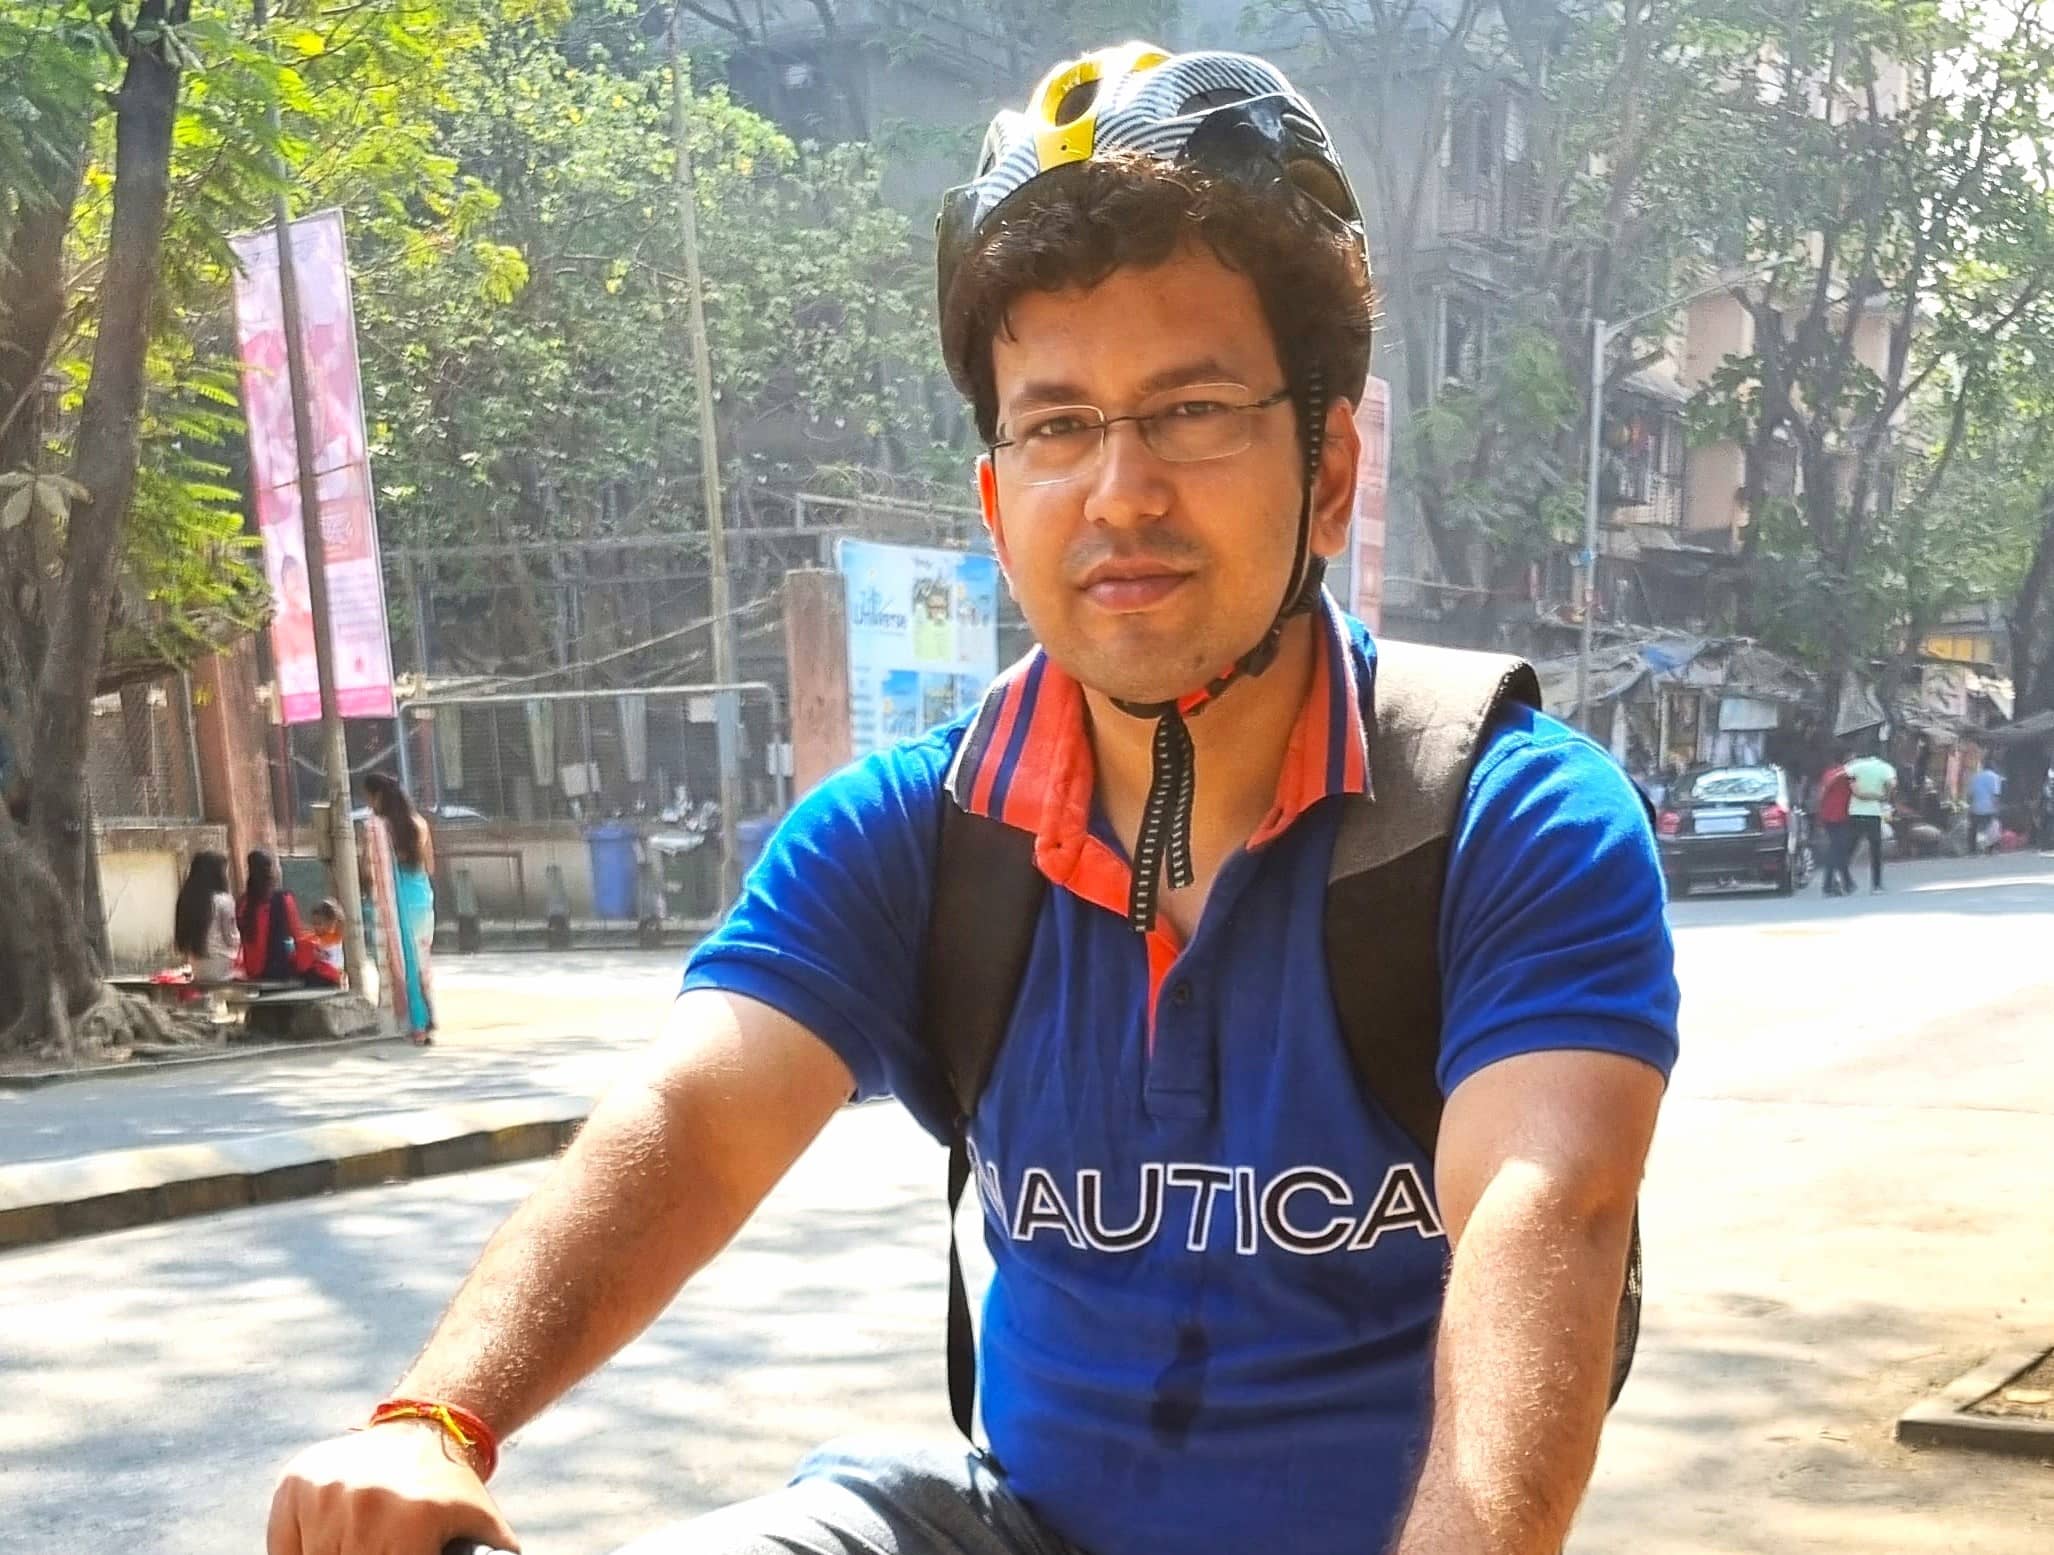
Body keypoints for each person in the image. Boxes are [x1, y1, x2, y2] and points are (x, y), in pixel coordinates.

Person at [268, 44, 1678, 1555]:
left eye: (1192, 409)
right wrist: (437, 1418)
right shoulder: (912, 834)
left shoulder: (1509, 822)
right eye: (1056, 424)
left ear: (1328, 468)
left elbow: (1552, 1211)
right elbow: (691, 1119)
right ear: (999, 501)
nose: (1119, 489)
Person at [363, 770, 437, 1043]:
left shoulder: (379, 829)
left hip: (398, 900)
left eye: (369, 798)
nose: (369, 804)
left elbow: (369, 871)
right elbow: (430, 866)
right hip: (423, 897)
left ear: (379, 796)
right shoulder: (420, 824)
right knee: (422, 963)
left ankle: (417, 1026)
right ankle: (427, 1017)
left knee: (405, 963)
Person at [237, 848, 320, 984]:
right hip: (277, 971)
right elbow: (298, 936)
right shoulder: (283, 899)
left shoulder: (243, 903)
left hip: (251, 970)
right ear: (272, 870)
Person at [172, 850, 241, 981]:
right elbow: (231, 939)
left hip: (197, 968)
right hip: (221, 967)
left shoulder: (187, 899)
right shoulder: (223, 900)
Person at [1844, 742, 1898, 893]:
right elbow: (1892, 784)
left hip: (1855, 812)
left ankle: (1845, 880)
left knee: (1850, 849)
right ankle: (1876, 885)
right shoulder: (1885, 767)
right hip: (1874, 813)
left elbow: (1850, 785)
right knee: (1876, 850)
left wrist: (1862, 794)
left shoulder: (1853, 765)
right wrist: (1883, 796)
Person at [1816, 745, 1856, 896]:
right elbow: (1855, 789)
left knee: (1838, 849)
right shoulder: (1846, 774)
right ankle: (1830, 884)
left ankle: (1845, 882)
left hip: (1830, 815)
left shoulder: (1831, 774)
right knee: (1836, 849)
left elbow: (1821, 793)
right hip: (1839, 816)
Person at [303, 898, 346, 987]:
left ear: (330, 923)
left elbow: (341, 923)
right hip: (323, 975)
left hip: (331, 976)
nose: (315, 927)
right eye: (313, 923)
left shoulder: (334, 937)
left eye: (319, 924)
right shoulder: (315, 938)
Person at [1967, 755, 2003, 855]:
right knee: (1992, 828)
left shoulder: (1975, 776)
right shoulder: (1995, 777)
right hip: (1989, 808)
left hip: (1975, 808)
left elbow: (1970, 794)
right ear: (1994, 767)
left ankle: (1972, 849)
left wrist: (1970, 806)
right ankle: (1989, 848)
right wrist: (1997, 808)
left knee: (1973, 828)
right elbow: (1995, 794)